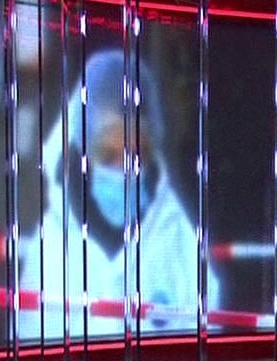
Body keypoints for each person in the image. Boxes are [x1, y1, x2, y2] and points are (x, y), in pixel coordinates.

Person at [14, 48, 221, 343]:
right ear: (85, 155)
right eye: (110, 156)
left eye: (136, 155)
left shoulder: (181, 244)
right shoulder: (52, 250)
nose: (124, 170)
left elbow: (206, 351)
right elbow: (31, 349)